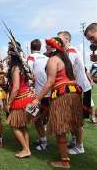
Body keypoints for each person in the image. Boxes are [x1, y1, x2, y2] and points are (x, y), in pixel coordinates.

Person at [32, 37, 83, 169]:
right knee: (71, 124)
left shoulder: (53, 60)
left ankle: (65, 161)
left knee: (60, 128)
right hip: (73, 94)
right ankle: (76, 147)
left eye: (48, 46)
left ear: (53, 48)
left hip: (62, 95)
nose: (46, 48)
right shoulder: (65, 60)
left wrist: (37, 98)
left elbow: (49, 82)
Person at [58, 31, 91, 154]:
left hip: (80, 89)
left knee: (77, 119)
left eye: (60, 39)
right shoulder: (67, 52)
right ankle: (74, 140)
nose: (58, 41)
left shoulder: (71, 51)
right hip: (76, 89)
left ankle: (79, 146)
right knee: (72, 118)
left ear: (67, 39)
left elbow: (68, 70)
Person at [7, 41, 34, 158]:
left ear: (12, 54)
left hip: (21, 100)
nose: (7, 54)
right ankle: (27, 149)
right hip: (29, 98)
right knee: (23, 125)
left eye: (8, 52)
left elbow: (16, 87)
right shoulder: (22, 66)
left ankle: (25, 149)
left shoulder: (15, 68)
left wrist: (8, 103)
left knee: (14, 125)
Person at [27, 39, 50, 151]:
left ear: (31, 48)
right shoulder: (47, 58)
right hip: (48, 93)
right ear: (40, 48)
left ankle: (44, 142)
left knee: (34, 118)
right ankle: (42, 138)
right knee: (41, 118)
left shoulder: (31, 57)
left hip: (37, 95)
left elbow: (28, 73)